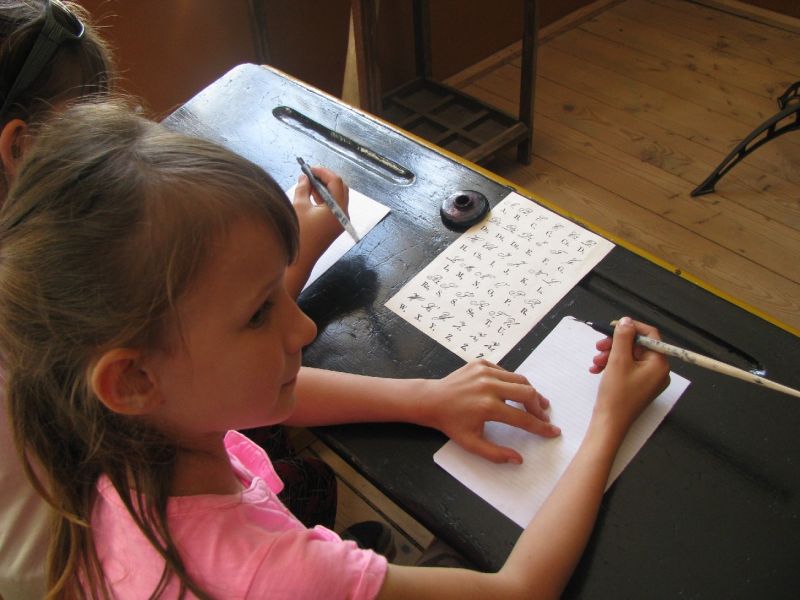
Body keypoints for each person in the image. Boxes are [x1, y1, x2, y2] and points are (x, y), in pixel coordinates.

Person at [0, 100, 669, 599]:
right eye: (259, 313)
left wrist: (427, 399)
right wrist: (607, 420)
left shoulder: (101, 440)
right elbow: (520, 590)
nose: (303, 330)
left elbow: (259, 395)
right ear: (133, 380)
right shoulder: (280, 577)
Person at [0, 2, 113, 598]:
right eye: (88, 129)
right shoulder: (44, 291)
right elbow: (200, 371)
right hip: (84, 575)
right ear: (19, 150)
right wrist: (295, 253)